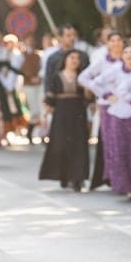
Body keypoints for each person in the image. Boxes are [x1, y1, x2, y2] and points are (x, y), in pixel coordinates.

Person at [80, 33, 131, 198]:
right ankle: (117, 180)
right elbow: (86, 78)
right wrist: (105, 95)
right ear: (108, 43)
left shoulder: (130, 60)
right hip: (111, 106)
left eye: (119, 40)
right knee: (114, 145)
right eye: (112, 40)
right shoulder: (104, 62)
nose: (116, 43)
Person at [38, 49, 93, 191]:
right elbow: (51, 98)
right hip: (61, 115)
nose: (74, 60)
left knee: (79, 145)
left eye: (77, 58)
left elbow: (88, 98)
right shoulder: (57, 77)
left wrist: (87, 89)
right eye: (71, 57)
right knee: (61, 145)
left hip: (78, 115)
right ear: (65, 60)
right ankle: (63, 176)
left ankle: (78, 178)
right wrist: (44, 115)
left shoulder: (82, 77)